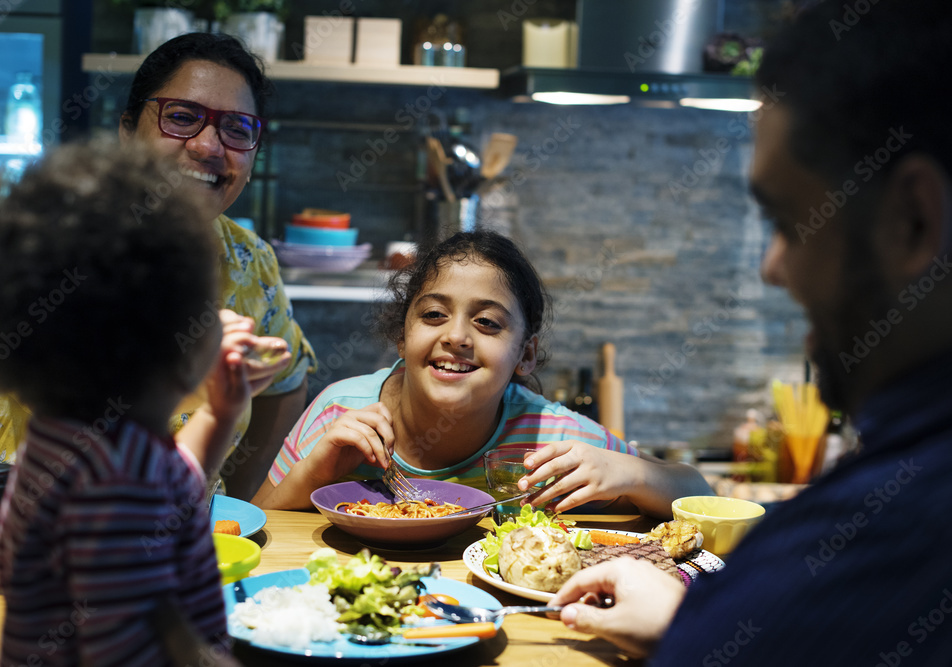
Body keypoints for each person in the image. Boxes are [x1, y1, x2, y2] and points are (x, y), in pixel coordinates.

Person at [548, 1, 952, 663]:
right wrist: (697, 615)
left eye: (789, 223)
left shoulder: (886, 534)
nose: (772, 268)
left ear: (912, 219)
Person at [0, 32, 316, 502]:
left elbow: (286, 380)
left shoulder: (248, 258)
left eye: (238, 129)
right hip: (16, 525)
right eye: (182, 117)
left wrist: (235, 500)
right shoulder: (59, 238)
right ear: (127, 131)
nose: (209, 146)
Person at [0, 139, 242, 665]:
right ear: (171, 338)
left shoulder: (85, 439)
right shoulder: (112, 481)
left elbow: (174, 488)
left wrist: (218, 414)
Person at [252, 230, 712, 515]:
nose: (456, 336)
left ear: (524, 356)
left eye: (487, 323)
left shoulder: (549, 436)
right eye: (433, 315)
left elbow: (699, 493)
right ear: (401, 335)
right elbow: (255, 522)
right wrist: (317, 470)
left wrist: (625, 470)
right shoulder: (341, 411)